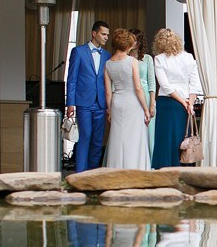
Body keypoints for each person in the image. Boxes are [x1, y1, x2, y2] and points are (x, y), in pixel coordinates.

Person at [150, 28, 200, 169]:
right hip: (184, 103)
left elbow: (165, 85)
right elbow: (194, 83)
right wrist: (190, 102)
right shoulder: (188, 57)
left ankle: (165, 168)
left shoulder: (159, 59)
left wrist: (184, 102)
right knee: (182, 137)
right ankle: (184, 167)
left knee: (165, 138)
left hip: (167, 102)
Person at [65, 20, 111, 172]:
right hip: (84, 102)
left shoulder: (107, 55)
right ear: (94, 33)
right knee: (85, 136)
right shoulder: (78, 51)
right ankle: (80, 174)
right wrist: (70, 103)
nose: (106, 38)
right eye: (103, 34)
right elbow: (72, 79)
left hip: (101, 103)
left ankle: (93, 173)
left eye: (107, 35)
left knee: (98, 141)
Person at [102, 28, 151, 170]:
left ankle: (116, 169)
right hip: (133, 102)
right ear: (128, 45)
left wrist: (110, 109)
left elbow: (108, 92)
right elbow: (138, 88)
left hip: (117, 102)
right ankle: (136, 169)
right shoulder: (132, 61)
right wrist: (146, 109)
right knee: (135, 138)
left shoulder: (108, 64)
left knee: (118, 137)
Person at [129, 29, 156, 158]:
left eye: (136, 40)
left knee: (148, 132)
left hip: (145, 94)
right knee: (132, 132)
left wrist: (152, 103)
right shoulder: (125, 58)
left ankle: (148, 162)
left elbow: (152, 83)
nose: (133, 42)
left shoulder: (148, 59)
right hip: (129, 95)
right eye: (131, 39)